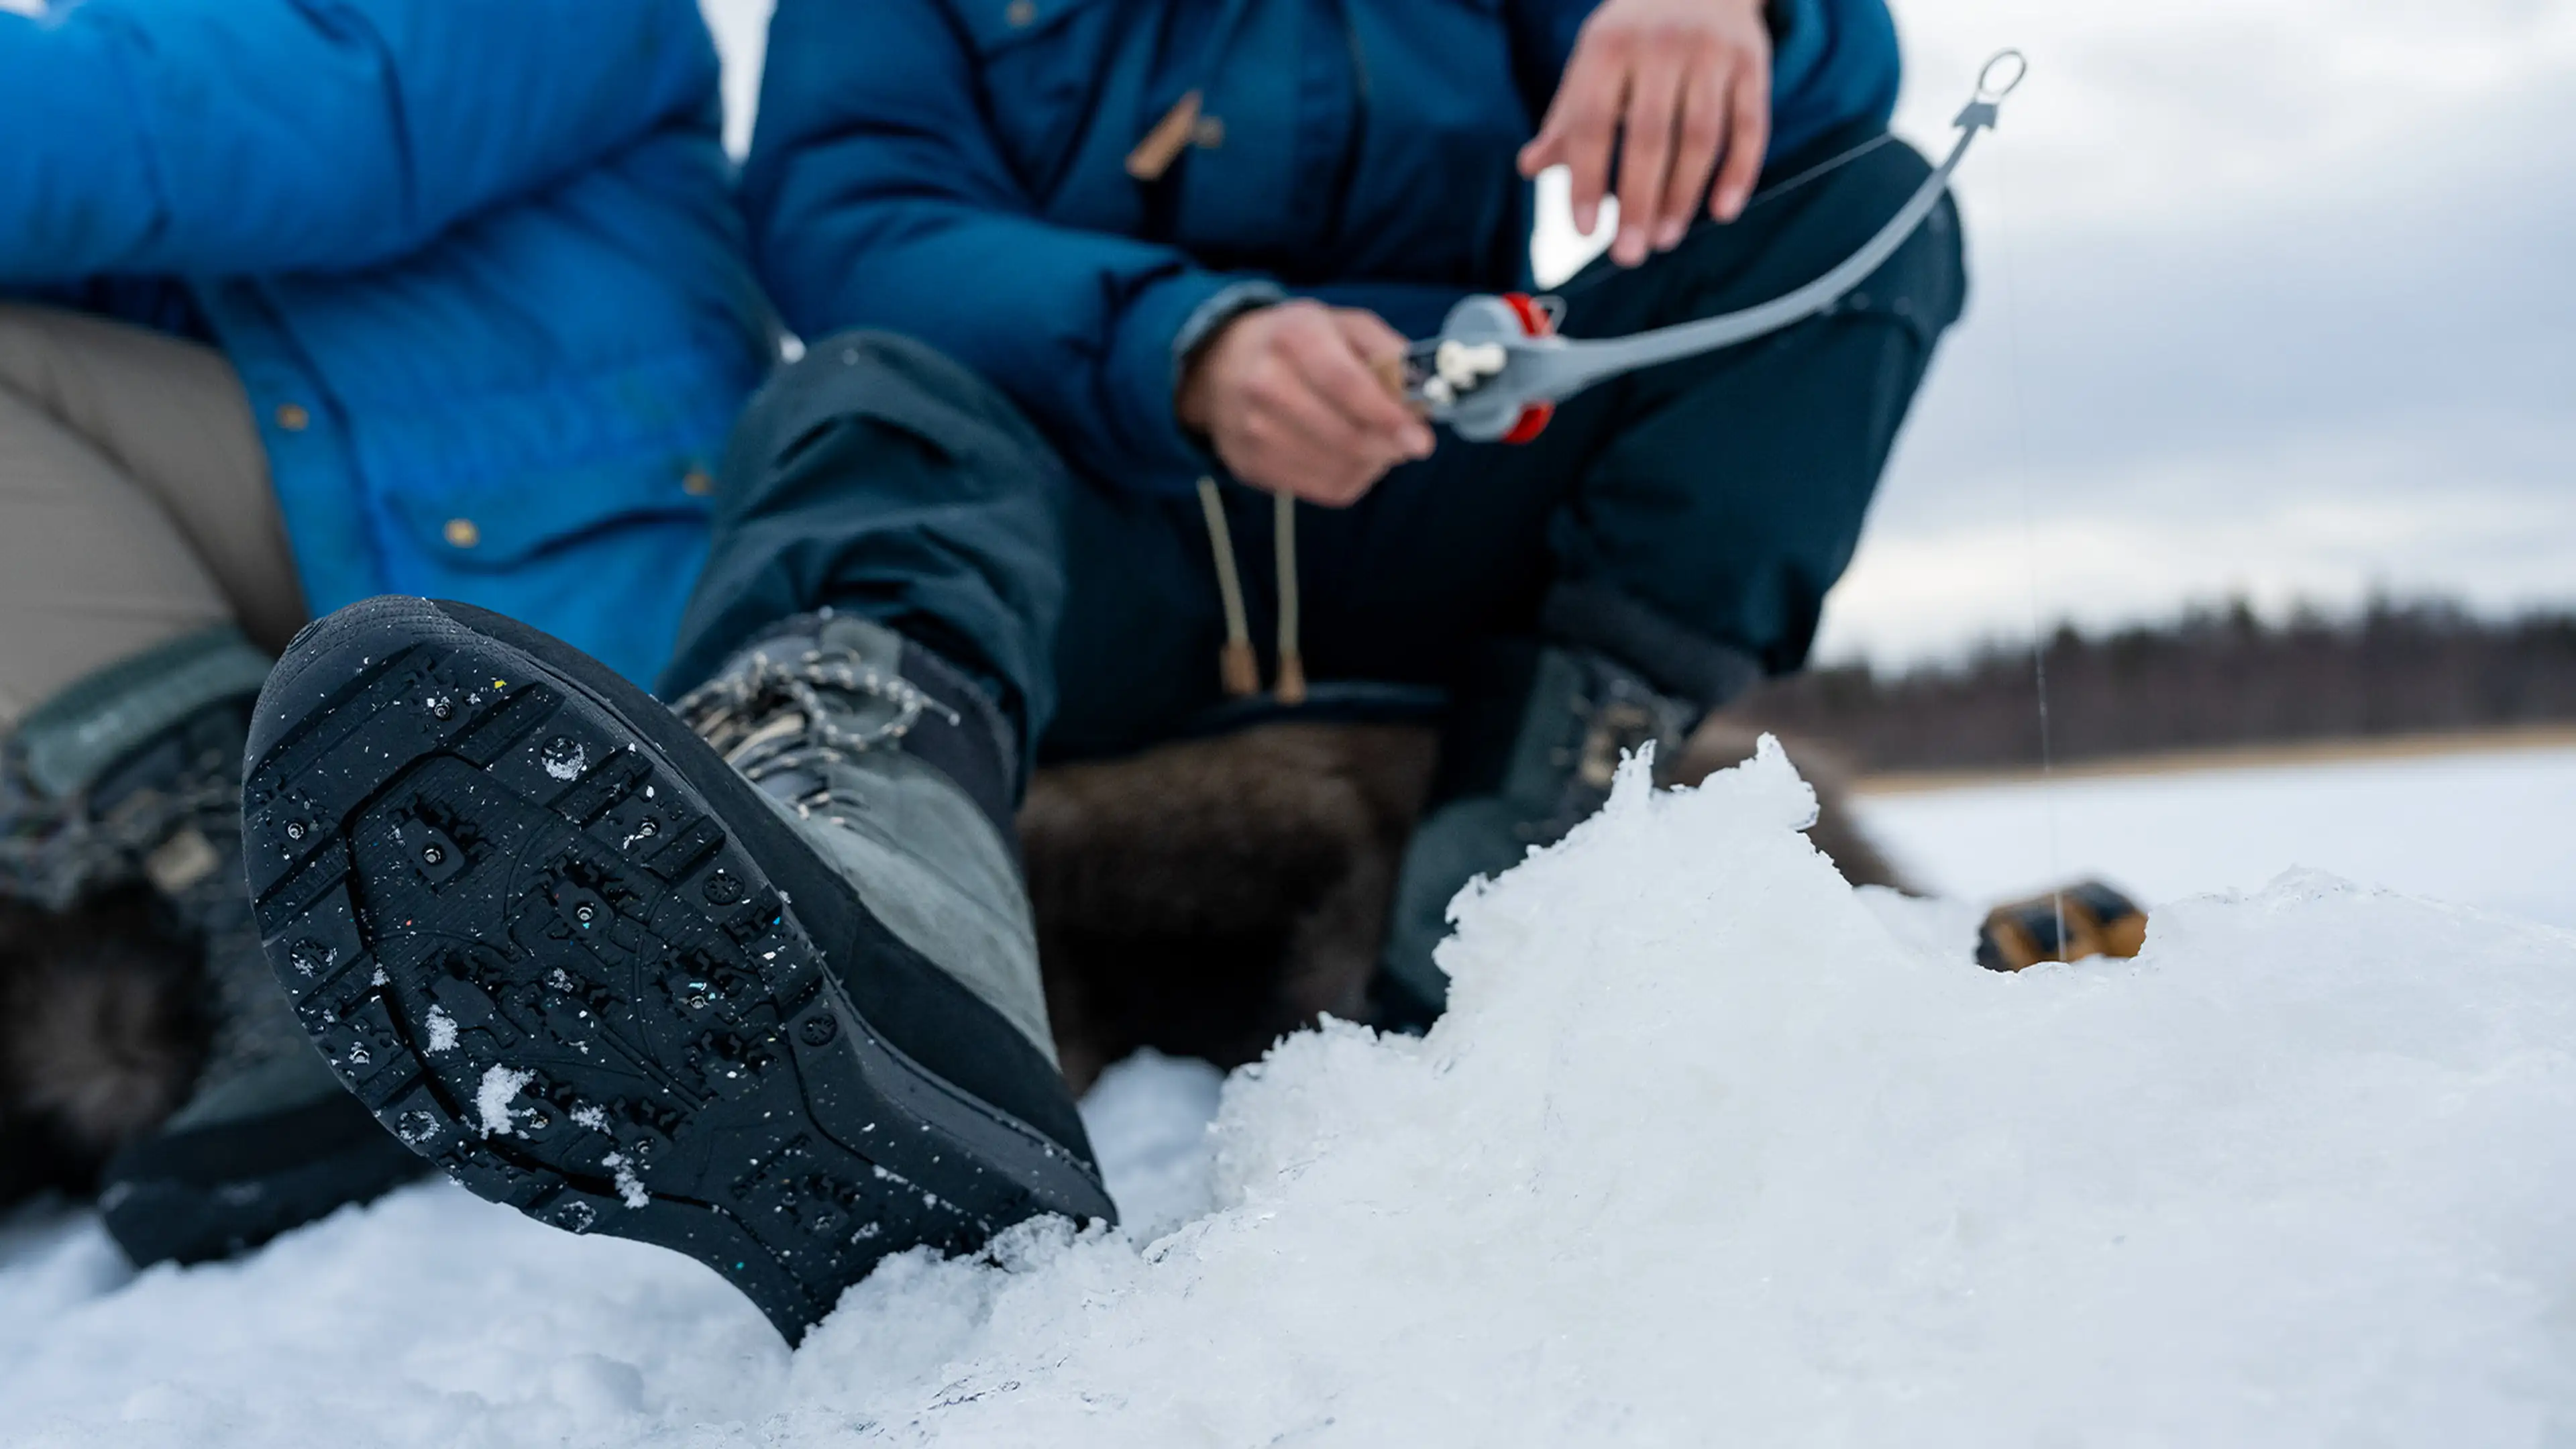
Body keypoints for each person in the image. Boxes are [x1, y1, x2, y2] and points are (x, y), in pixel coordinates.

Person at [247, 0, 1964, 1340]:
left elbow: (1820, 121)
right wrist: (1182, 343)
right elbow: (849, 208)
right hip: (1086, 566)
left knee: (1867, 222)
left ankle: (1566, 789)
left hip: (1449, 531)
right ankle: (866, 890)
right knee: (863, 394)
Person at [0, 0, 775, 1264]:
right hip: (328, 556)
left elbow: (282, 136)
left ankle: (297, 938)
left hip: (549, 617)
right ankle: (174, 899)